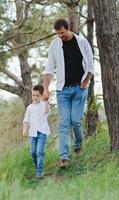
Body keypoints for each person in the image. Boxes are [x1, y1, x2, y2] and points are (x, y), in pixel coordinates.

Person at [42, 18, 94, 167]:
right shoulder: (55, 45)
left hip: (79, 89)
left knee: (75, 121)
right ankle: (64, 157)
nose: (60, 36)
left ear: (68, 28)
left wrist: (84, 84)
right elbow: (49, 69)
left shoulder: (82, 42)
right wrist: (46, 88)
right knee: (64, 123)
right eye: (58, 34)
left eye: (63, 33)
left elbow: (90, 65)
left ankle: (78, 147)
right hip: (62, 90)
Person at [23, 85, 50, 177]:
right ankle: (37, 167)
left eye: (37, 95)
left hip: (42, 132)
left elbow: (46, 112)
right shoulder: (29, 108)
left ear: (41, 95)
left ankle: (39, 171)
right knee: (32, 152)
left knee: (39, 152)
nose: (34, 97)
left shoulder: (44, 105)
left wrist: (46, 101)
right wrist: (25, 129)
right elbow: (26, 120)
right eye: (33, 95)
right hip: (32, 133)